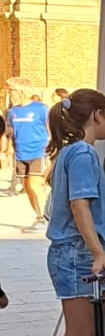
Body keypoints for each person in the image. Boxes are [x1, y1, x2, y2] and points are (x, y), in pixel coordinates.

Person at [16, 90, 105, 336]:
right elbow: (80, 206)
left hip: (87, 250)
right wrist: (98, 251)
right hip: (77, 252)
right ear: (96, 117)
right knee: (78, 335)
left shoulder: (74, 153)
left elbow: (93, 209)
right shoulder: (83, 154)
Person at [6, 80, 50, 229]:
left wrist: (52, 148)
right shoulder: (12, 112)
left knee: (34, 184)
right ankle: (38, 216)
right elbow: (10, 132)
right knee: (27, 187)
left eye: (11, 90)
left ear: (21, 90)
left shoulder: (41, 109)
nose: (9, 93)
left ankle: (45, 216)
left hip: (38, 151)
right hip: (20, 153)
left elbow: (50, 128)